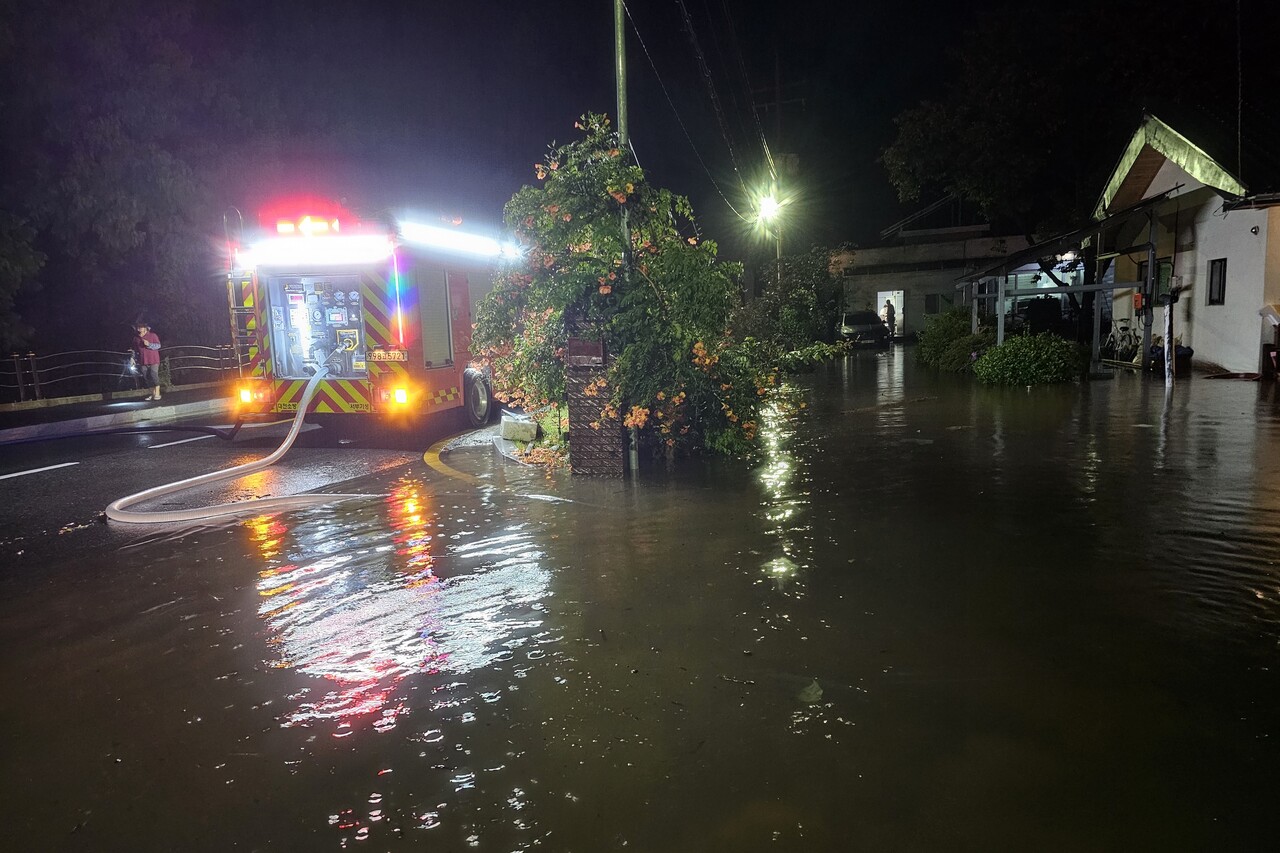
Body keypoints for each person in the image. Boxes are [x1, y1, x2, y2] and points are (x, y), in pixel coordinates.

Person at [132, 322, 163, 400]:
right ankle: (152, 394)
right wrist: (133, 358)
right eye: (138, 327)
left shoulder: (152, 335)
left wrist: (149, 344)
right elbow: (135, 350)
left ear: (145, 328)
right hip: (143, 360)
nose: (139, 329)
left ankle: (158, 393)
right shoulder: (136, 338)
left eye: (141, 327)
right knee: (146, 376)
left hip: (153, 359)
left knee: (154, 374)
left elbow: (158, 345)